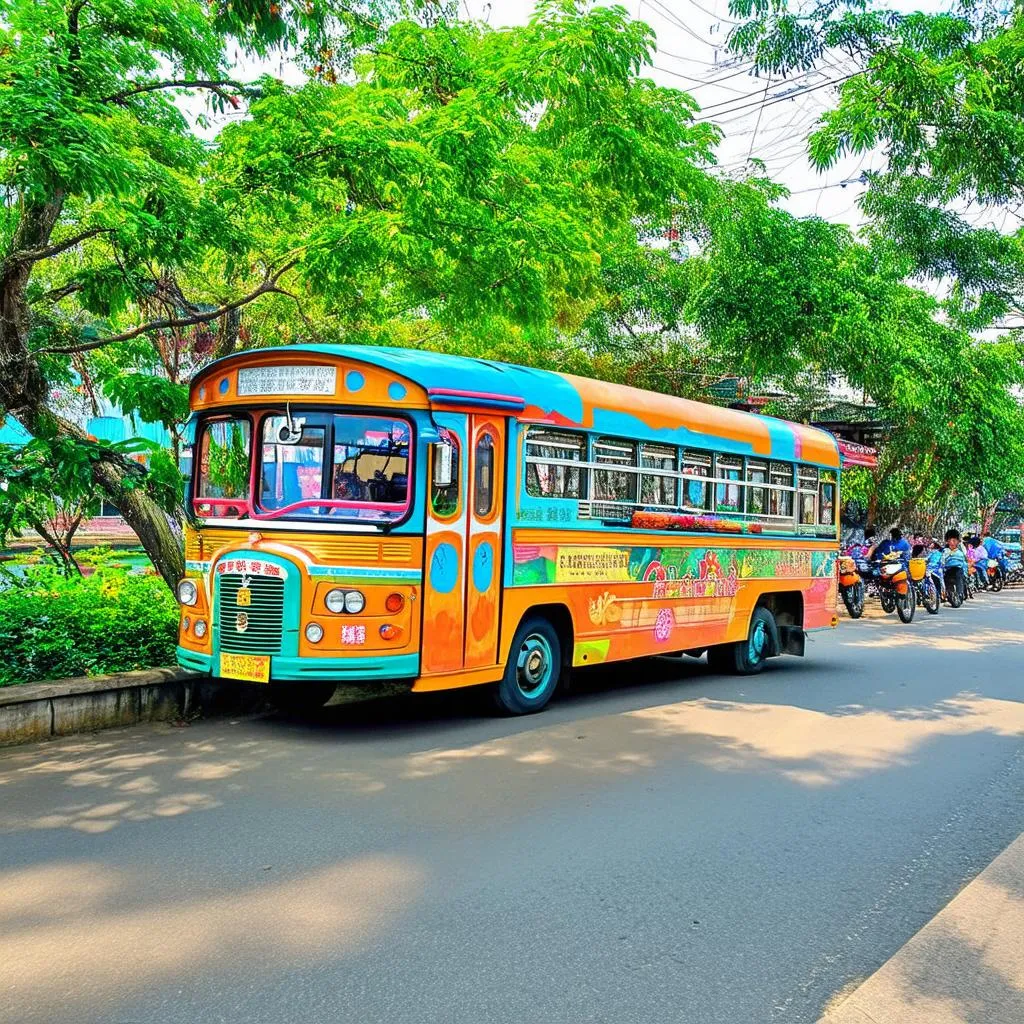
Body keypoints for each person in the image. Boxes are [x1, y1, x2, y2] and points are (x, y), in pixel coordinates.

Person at [940, 529, 969, 602]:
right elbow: (941, 560)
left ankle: (961, 593)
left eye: (954, 540)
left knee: (961, 577)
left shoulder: (960, 551)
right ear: (948, 541)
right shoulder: (944, 551)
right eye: (950, 540)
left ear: (957, 541)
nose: (952, 542)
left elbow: (964, 561)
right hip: (947, 570)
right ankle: (947, 594)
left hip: (958, 569)